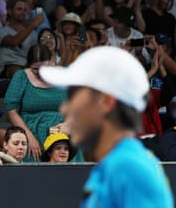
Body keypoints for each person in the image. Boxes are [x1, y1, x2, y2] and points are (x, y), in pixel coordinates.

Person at [39, 46, 174, 207]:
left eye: (72, 96)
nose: (64, 108)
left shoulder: (129, 168)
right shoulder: (115, 165)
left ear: (106, 102)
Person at [4, 44, 69, 162]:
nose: (40, 73)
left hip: (63, 136)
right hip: (31, 133)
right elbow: (11, 110)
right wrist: (28, 137)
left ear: (51, 61)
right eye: (35, 69)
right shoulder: (21, 76)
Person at [0, 0, 44, 78]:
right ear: (9, 11)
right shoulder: (1, 31)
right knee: (19, 72)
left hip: (28, 68)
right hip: (8, 69)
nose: (23, 12)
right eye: (19, 9)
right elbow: (14, 42)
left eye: (25, 10)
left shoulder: (33, 34)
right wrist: (33, 24)